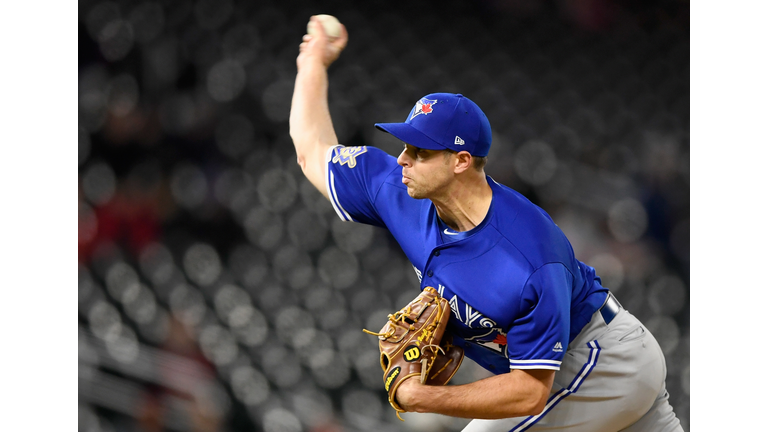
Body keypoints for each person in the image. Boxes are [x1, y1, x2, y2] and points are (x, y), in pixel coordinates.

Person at [289, 16, 683, 432]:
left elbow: (531, 392)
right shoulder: (397, 190)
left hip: (598, 359)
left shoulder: (528, 255)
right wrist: (312, 62)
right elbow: (311, 150)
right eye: (404, 146)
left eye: (419, 151)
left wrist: (424, 397)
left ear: (460, 161)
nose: (402, 159)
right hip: (588, 366)